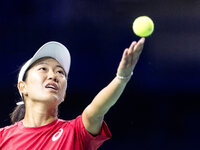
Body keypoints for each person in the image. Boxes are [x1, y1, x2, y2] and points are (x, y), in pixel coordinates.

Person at [0, 38, 145, 150]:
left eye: (60, 72)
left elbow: (96, 111)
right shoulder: (2, 138)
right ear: (23, 87)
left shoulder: (75, 133)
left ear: (63, 95)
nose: (53, 75)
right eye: (43, 68)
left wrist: (121, 78)